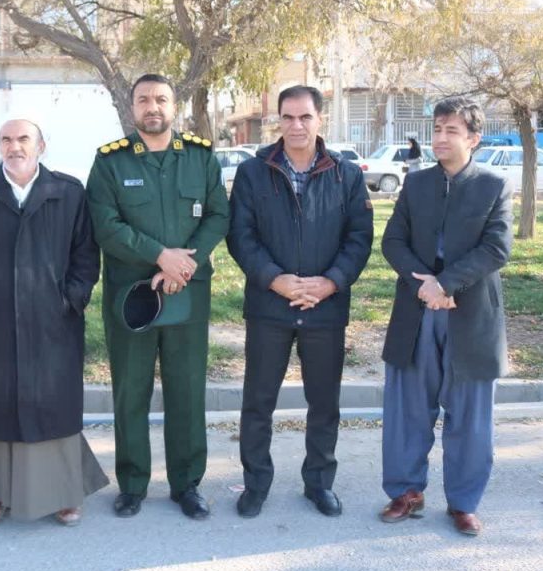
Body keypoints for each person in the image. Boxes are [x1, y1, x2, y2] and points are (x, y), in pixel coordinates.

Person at [0, 117, 108, 528]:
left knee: (54, 407)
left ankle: (65, 494)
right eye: (6, 139)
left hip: (53, 319)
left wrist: (71, 298)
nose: (14, 146)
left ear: (41, 146)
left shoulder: (67, 191)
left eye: (23, 139)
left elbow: (86, 254)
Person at [86, 74, 229, 520]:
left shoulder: (200, 158)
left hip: (187, 293)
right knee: (131, 390)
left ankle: (187, 484)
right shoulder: (110, 162)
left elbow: (218, 215)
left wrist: (184, 264)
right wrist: (160, 256)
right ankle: (132, 485)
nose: (153, 107)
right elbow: (106, 225)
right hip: (133, 296)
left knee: (187, 390)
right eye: (144, 99)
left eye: (161, 99)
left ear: (174, 106)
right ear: (132, 108)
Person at [226, 86, 373, 519]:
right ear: (278, 121)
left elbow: (359, 238)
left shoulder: (346, 174)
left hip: (325, 307)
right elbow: (240, 236)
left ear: (319, 119)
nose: (296, 126)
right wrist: (275, 280)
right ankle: (256, 484)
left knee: (324, 404)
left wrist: (331, 283)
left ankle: (319, 483)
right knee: (258, 403)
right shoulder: (254, 172)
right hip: (269, 306)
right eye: (288, 117)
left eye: (305, 117)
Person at [379, 96, 513, 537]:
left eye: (451, 130)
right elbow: (393, 241)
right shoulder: (416, 184)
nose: (440, 138)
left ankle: (463, 503)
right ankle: (406, 492)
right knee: (407, 410)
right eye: (436, 129)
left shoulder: (493, 185)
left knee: (470, 417)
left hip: (470, 316)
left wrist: (447, 284)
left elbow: (496, 248)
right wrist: (424, 285)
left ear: (473, 138)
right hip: (416, 313)